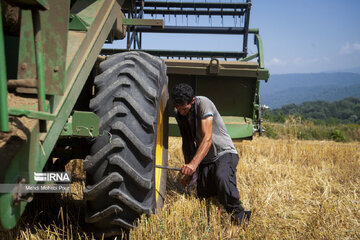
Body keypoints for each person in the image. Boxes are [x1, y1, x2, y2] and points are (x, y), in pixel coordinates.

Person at [171, 83, 251, 225]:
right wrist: (189, 173)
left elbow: (207, 139)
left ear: (193, 101)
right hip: (206, 158)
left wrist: (193, 164)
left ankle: (239, 217)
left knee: (222, 178)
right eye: (178, 109)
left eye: (184, 109)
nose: (181, 112)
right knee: (204, 194)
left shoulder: (204, 103)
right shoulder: (179, 113)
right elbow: (187, 142)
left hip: (224, 152)